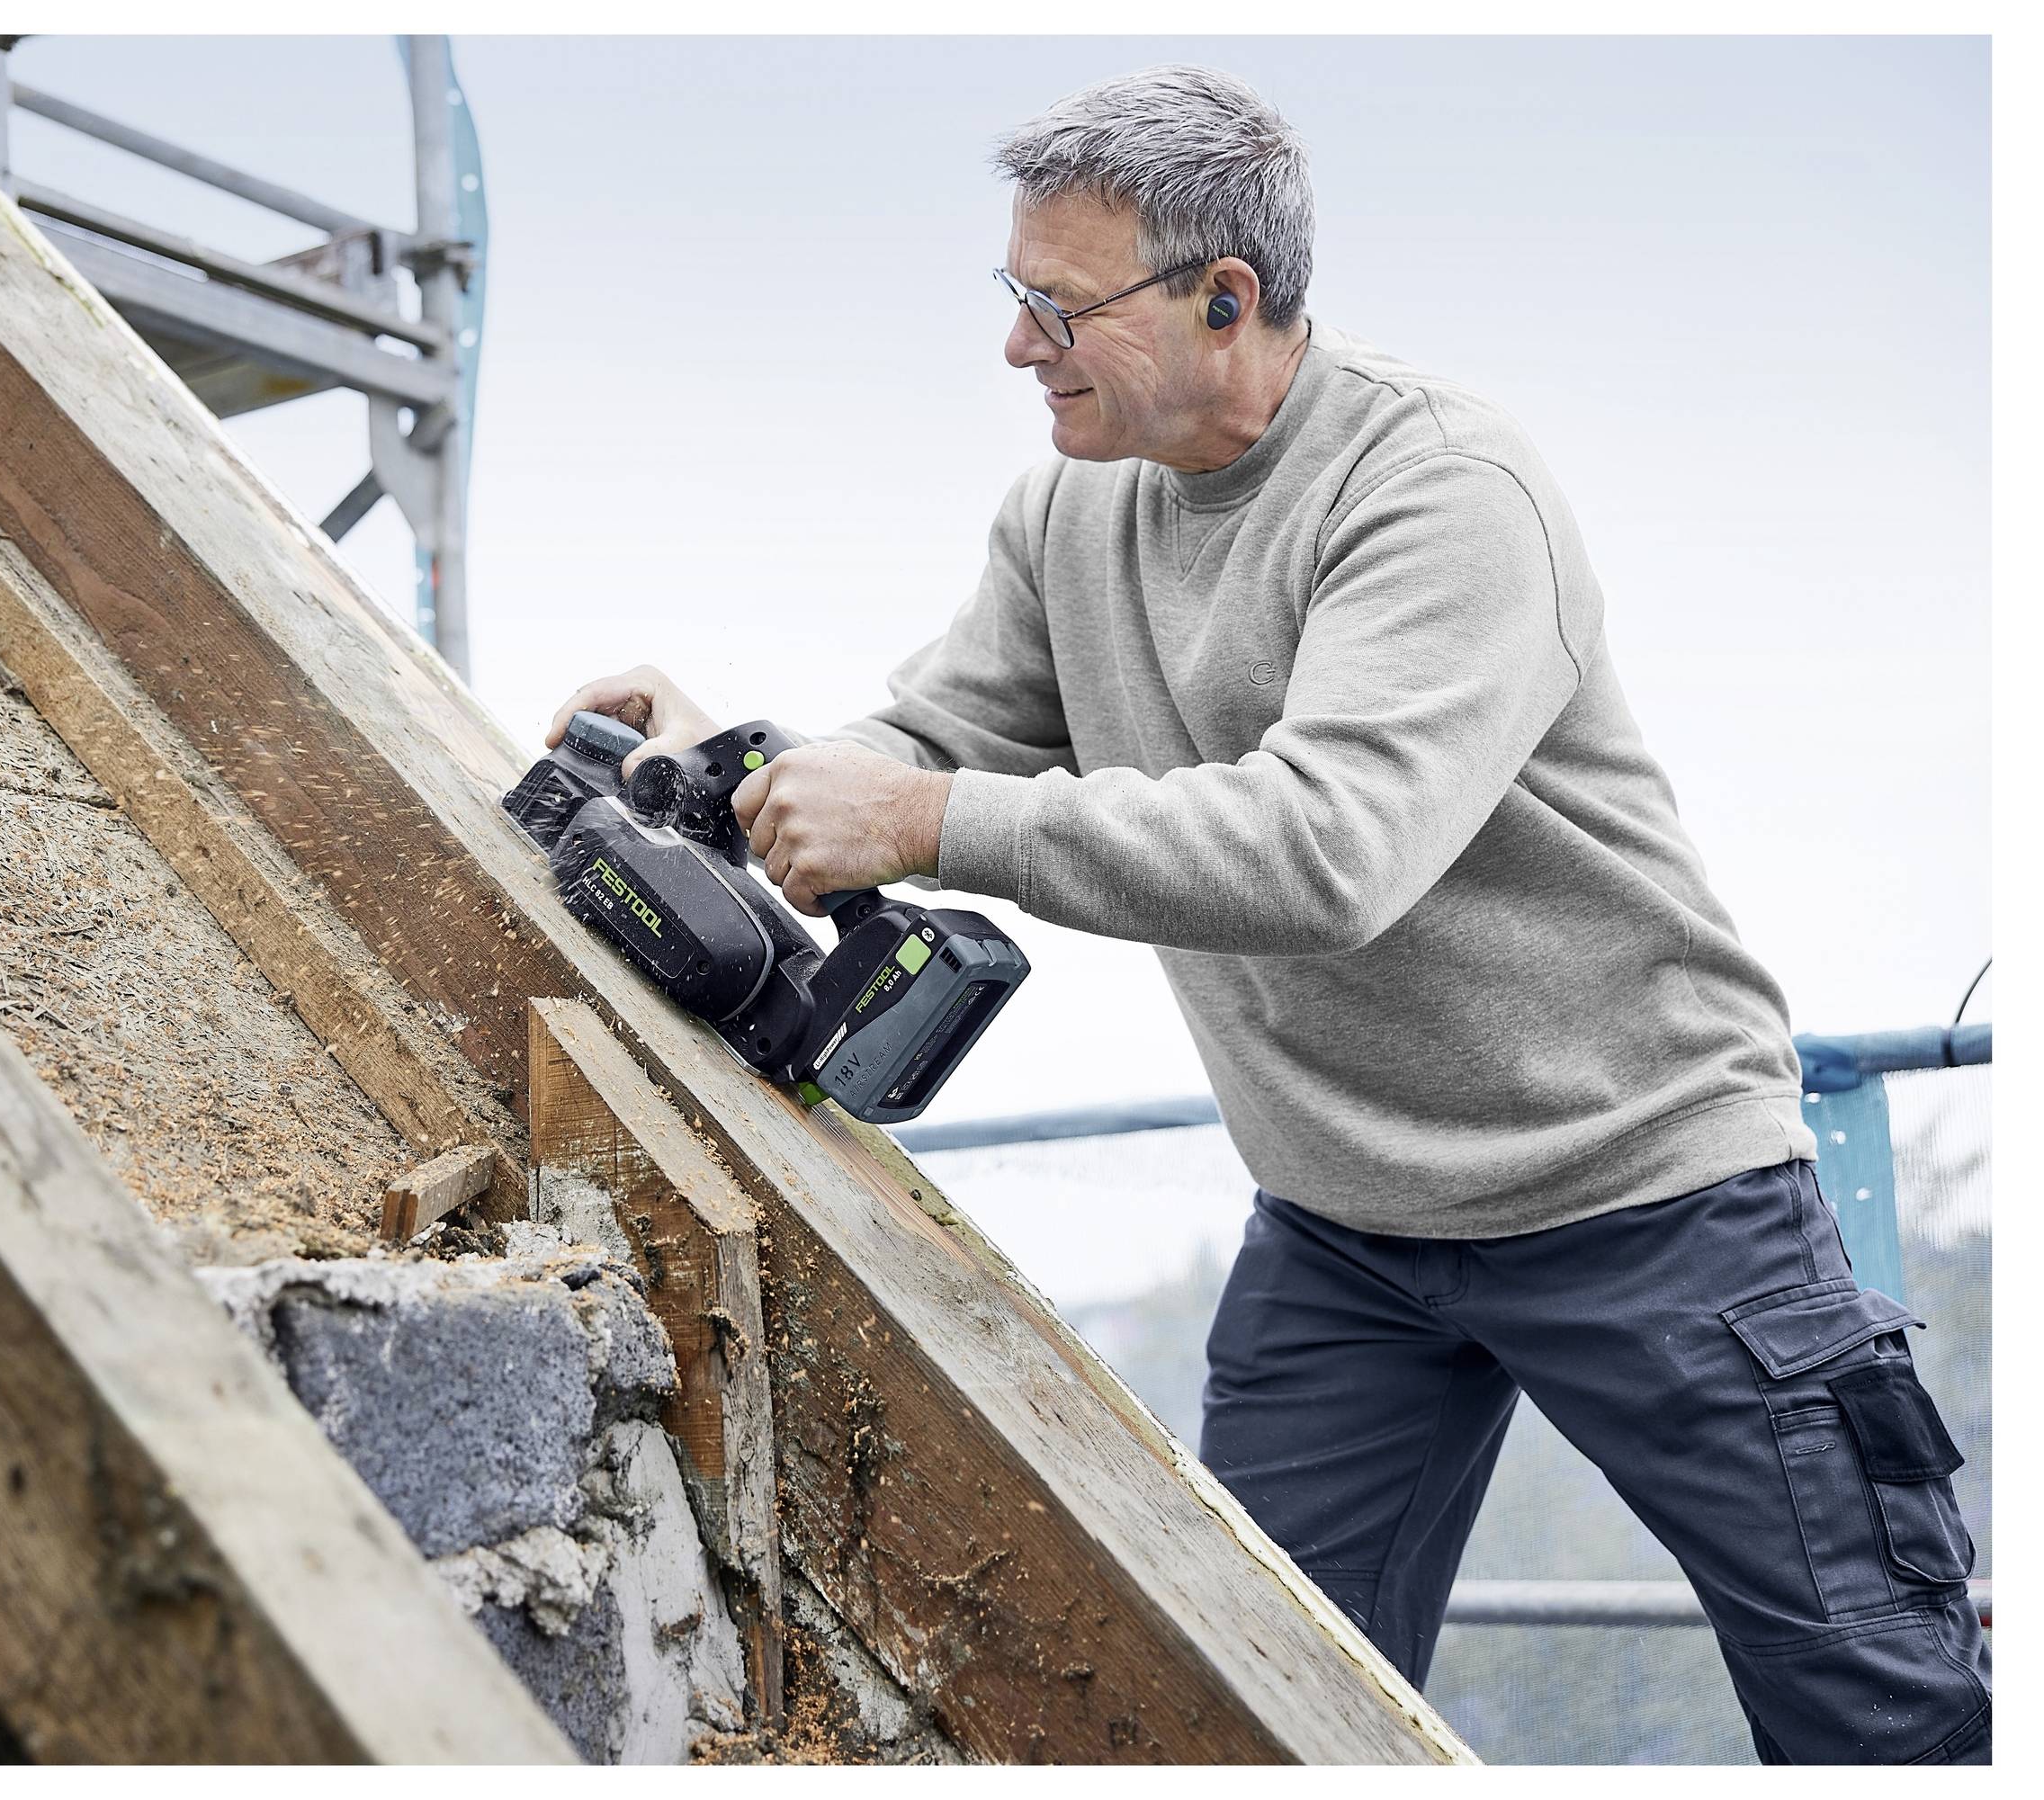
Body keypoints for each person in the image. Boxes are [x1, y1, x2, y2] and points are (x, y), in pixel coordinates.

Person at [544, 65, 1988, 1765]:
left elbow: (1328, 851)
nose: (1019, 346)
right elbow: (938, 741)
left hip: (1647, 1193)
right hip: (1342, 1231)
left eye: (1056, 305)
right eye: (1012, 296)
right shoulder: (1067, 508)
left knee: (1884, 1714)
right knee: (1250, 1717)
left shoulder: (1441, 492)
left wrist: (925, 819)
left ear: (1225, 299)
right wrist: (741, 760)